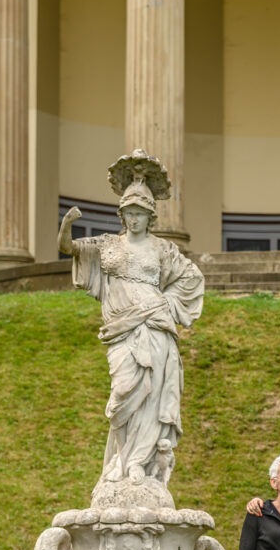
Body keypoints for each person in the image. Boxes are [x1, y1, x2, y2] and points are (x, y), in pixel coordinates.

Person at [58, 169, 204, 493]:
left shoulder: (163, 249)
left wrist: (166, 302)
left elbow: (192, 278)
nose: (134, 219)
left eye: (140, 213)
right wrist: (67, 223)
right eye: (129, 213)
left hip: (155, 327)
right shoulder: (106, 244)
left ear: (150, 217)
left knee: (151, 397)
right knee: (123, 394)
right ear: (121, 216)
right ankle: (120, 459)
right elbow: (68, 247)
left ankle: (139, 461)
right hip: (121, 330)